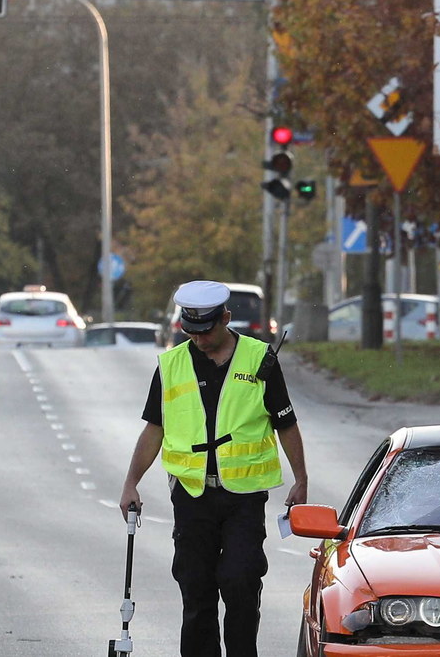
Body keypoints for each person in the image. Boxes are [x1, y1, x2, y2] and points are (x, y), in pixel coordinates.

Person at [119, 280, 308, 657]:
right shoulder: (171, 366)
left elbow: (285, 423)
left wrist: (301, 478)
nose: (199, 339)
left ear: (225, 318)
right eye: (192, 332)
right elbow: (154, 429)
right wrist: (131, 483)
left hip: (244, 497)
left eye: (206, 331)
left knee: (240, 583)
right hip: (191, 497)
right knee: (197, 591)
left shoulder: (260, 360)